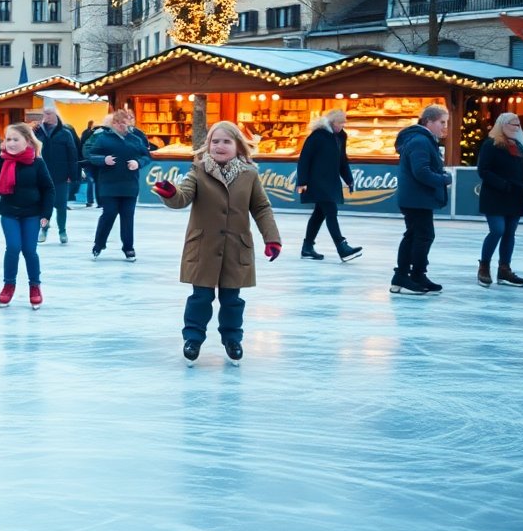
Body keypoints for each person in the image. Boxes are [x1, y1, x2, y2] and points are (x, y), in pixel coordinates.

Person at [152, 121, 281, 366]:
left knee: (232, 299)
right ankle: (193, 338)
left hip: (236, 247)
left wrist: (272, 238)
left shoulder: (249, 174)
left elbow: (262, 208)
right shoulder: (198, 171)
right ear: (208, 145)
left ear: (238, 147)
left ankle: (232, 339)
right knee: (200, 297)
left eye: (226, 141)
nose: (220, 146)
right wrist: (170, 193)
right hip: (204, 247)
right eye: (215, 141)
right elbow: (183, 198)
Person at [0, 123, 54, 308]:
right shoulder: (3, 160)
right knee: (14, 247)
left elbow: (48, 189)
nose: (11, 143)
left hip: (32, 214)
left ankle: (35, 287)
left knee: (29, 250)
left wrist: (46, 214)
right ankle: (8, 285)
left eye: (16, 139)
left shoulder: (37, 162)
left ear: (27, 141)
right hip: (9, 212)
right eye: (8, 139)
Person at [390, 104, 453, 296]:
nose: (445, 127)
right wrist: (444, 178)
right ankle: (413, 275)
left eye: (446, 122)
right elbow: (421, 171)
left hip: (416, 198)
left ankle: (407, 275)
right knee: (423, 236)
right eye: (442, 122)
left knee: (414, 235)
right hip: (416, 198)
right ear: (428, 121)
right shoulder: (420, 141)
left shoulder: (423, 140)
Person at [475, 112, 523, 287]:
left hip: (515, 197)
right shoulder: (491, 144)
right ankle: (484, 266)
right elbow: (484, 171)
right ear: (502, 125)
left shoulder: (520, 146)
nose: (516, 128)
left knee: (510, 232)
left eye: (518, 125)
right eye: (513, 124)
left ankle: (504, 269)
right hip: (495, 196)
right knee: (497, 230)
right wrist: (504, 185)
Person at [296, 109, 363, 262]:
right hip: (316, 181)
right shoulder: (318, 136)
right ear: (332, 123)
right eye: (341, 123)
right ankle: (342, 247)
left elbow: (342, 160)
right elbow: (304, 159)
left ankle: (307, 247)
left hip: (330, 181)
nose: (343, 125)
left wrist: (349, 179)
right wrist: (302, 182)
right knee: (331, 211)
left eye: (344, 122)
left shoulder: (340, 137)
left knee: (319, 214)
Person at [84, 109, 150, 261]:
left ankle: (128, 247)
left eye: (125, 123)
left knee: (128, 216)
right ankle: (99, 244)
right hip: (109, 185)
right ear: (113, 124)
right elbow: (92, 156)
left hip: (129, 185)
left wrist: (138, 163)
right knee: (109, 214)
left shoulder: (135, 139)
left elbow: (146, 156)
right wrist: (104, 160)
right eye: (119, 123)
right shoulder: (103, 139)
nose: (122, 126)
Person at [32, 108, 79, 244]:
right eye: (44, 114)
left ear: (56, 116)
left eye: (49, 114)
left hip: (61, 175)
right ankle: (44, 229)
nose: (46, 116)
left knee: (61, 205)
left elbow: (72, 154)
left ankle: (62, 231)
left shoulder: (65, 133)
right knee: (43, 205)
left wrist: (72, 174)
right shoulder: (38, 133)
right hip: (41, 175)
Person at [78, 119, 101, 207]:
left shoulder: (85, 134)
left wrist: (81, 160)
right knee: (98, 181)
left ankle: (90, 200)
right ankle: (100, 202)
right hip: (96, 161)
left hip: (86, 161)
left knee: (90, 181)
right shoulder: (100, 136)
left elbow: (80, 146)